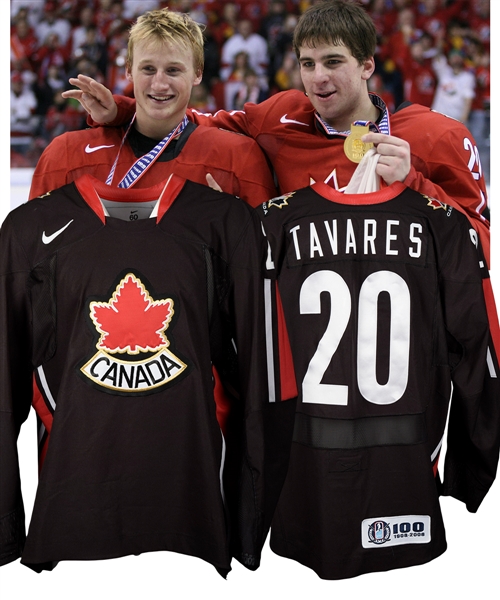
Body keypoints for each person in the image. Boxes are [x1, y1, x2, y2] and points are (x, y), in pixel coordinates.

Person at [68, 0, 490, 263]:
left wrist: (414, 184)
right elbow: (198, 122)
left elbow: (482, 250)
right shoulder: (281, 117)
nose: (318, 78)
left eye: (333, 61)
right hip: (301, 354)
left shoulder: (435, 137)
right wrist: (121, 111)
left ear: (367, 65)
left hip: (402, 360)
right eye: (307, 64)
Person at [29, 8, 277, 207]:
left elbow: (262, 262)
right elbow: (32, 256)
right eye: (148, 69)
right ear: (128, 70)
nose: (159, 84)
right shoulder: (64, 156)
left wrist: (233, 225)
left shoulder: (239, 158)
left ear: (198, 73)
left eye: (173, 70)